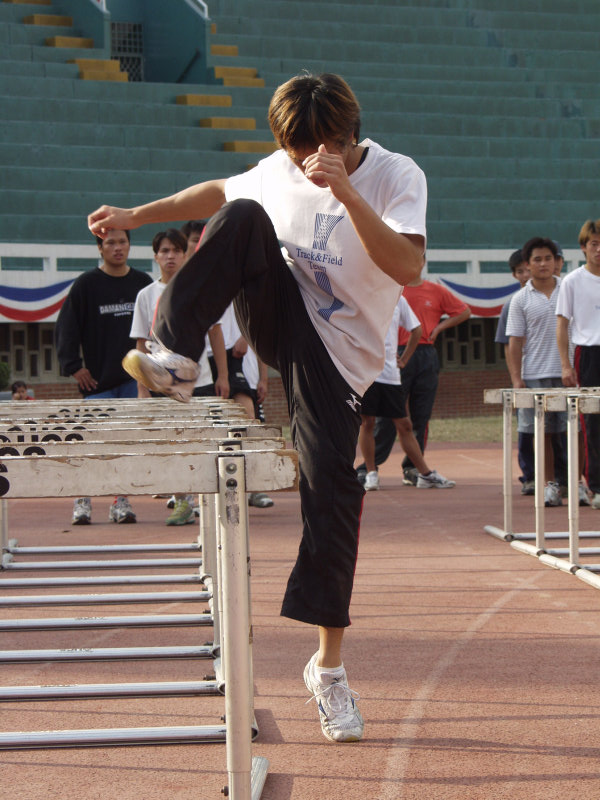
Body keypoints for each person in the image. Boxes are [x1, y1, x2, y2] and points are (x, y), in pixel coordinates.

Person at [88, 72, 427, 743]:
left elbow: (408, 267)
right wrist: (134, 216)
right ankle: (178, 358)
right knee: (240, 217)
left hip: (340, 360)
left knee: (332, 489)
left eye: (315, 151)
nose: (304, 164)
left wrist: (346, 190)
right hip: (281, 316)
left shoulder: (395, 176)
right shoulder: (278, 166)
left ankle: (328, 671)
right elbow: (213, 193)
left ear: (346, 135)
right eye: (294, 152)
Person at [130, 227, 229, 525]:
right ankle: (182, 502)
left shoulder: (200, 289)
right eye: (164, 251)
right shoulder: (146, 296)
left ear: (186, 254)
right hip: (163, 384)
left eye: (176, 250)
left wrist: (223, 375)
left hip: (200, 380)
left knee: (205, 441)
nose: (170, 256)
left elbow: (215, 334)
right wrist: (143, 388)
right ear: (156, 257)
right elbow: (140, 344)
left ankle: (209, 502)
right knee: (173, 443)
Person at [55, 229, 152, 525]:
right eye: (110, 243)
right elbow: (66, 329)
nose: (118, 248)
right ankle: (82, 500)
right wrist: (74, 366)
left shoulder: (143, 284)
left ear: (129, 246)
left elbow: (156, 328)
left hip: (132, 382)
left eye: (123, 241)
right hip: (98, 383)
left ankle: (120, 501)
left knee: (125, 446)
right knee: (90, 443)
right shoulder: (86, 285)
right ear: (100, 248)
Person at [360, 263, 470, 486]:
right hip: (379, 364)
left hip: (411, 361)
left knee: (412, 419)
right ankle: (370, 469)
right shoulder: (377, 294)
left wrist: (435, 331)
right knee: (375, 421)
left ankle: (417, 470)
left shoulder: (421, 294)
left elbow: (460, 313)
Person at [506, 237, 588, 507]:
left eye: (548, 258)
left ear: (557, 262)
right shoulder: (520, 299)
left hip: (572, 373)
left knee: (575, 430)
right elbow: (515, 342)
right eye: (537, 259)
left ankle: (577, 483)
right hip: (536, 374)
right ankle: (550, 484)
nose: (543, 264)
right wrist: (517, 378)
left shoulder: (571, 289)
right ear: (527, 265)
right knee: (544, 431)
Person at [207, 303, 274, 508]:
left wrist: (264, 377)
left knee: (250, 424)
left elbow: (260, 331)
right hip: (218, 361)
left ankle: (253, 487)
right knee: (219, 428)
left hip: (247, 369)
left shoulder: (248, 292)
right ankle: (212, 491)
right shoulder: (212, 287)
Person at [556, 219, 600, 509]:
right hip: (589, 353)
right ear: (584, 247)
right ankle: (595, 486)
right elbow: (562, 326)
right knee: (593, 423)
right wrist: (566, 366)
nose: (599, 250)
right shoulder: (573, 281)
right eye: (594, 245)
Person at [495, 250, 536, 494]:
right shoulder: (513, 303)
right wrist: (515, 378)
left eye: (526, 269)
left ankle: (561, 479)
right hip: (526, 374)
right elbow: (508, 343)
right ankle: (529, 476)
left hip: (550, 369)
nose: (525, 275)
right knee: (526, 426)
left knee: (558, 429)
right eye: (519, 271)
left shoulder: (559, 296)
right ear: (514, 275)